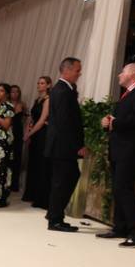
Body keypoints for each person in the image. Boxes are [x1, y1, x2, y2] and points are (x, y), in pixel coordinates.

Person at [98, 62, 135, 247]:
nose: (119, 75)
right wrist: (109, 122)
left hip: (130, 150)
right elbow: (123, 119)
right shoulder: (128, 93)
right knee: (118, 188)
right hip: (120, 149)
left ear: (134, 74)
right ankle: (120, 227)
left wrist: (115, 123)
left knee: (123, 188)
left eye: (123, 72)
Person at [45, 57, 85, 232]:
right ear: (66, 70)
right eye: (77, 70)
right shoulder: (63, 91)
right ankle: (55, 219)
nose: (79, 73)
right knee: (62, 181)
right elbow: (65, 123)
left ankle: (54, 215)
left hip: (61, 145)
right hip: (63, 146)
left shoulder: (64, 89)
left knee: (65, 179)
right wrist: (78, 146)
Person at [22, 76, 51, 208]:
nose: (39, 85)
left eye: (42, 83)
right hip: (35, 133)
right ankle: (31, 194)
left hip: (43, 134)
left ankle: (40, 197)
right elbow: (34, 118)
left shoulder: (48, 99)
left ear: (49, 85)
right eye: (38, 83)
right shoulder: (37, 99)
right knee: (33, 163)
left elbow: (42, 120)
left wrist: (29, 133)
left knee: (40, 165)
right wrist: (28, 129)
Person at [8, 85, 26, 191]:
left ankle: (15, 183)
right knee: (8, 157)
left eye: (17, 92)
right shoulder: (7, 105)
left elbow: (25, 119)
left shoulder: (22, 105)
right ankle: (7, 182)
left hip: (18, 132)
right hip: (8, 131)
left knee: (17, 157)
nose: (14, 94)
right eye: (12, 92)